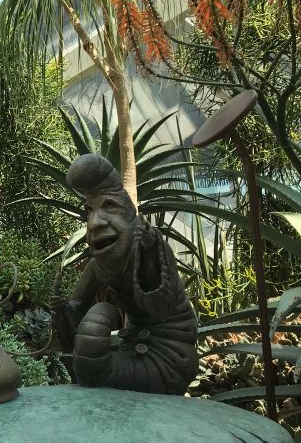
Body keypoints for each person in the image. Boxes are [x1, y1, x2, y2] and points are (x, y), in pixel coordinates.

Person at [49, 154, 198, 396]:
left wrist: (146, 254)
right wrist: (63, 309)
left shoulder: (152, 249)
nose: (95, 223)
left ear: (133, 218)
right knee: (89, 368)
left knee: (96, 373)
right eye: (89, 211)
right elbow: (75, 311)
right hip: (132, 348)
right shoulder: (98, 267)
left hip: (171, 359)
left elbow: (159, 306)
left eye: (109, 206)